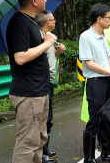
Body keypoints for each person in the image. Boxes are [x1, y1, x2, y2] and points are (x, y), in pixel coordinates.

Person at [6, 0, 57, 163]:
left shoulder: (31, 22)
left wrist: (45, 42)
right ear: (35, 1)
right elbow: (20, 57)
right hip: (29, 93)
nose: (45, 0)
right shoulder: (19, 22)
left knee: (39, 140)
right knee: (28, 143)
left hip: (39, 91)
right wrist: (47, 43)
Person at [79, 3, 110, 163]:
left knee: (107, 117)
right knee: (95, 119)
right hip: (95, 83)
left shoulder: (103, 35)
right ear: (99, 19)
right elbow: (89, 63)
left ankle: (107, 152)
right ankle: (89, 158)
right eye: (108, 18)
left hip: (106, 82)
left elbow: (107, 57)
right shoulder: (86, 37)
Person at [35, 10, 66, 163]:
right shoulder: (40, 38)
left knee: (48, 118)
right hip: (43, 83)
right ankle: (41, 153)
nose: (55, 21)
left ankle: (45, 150)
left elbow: (47, 57)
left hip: (49, 82)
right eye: (53, 19)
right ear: (48, 22)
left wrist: (57, 52)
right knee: (45, 118)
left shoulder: (49, 38)